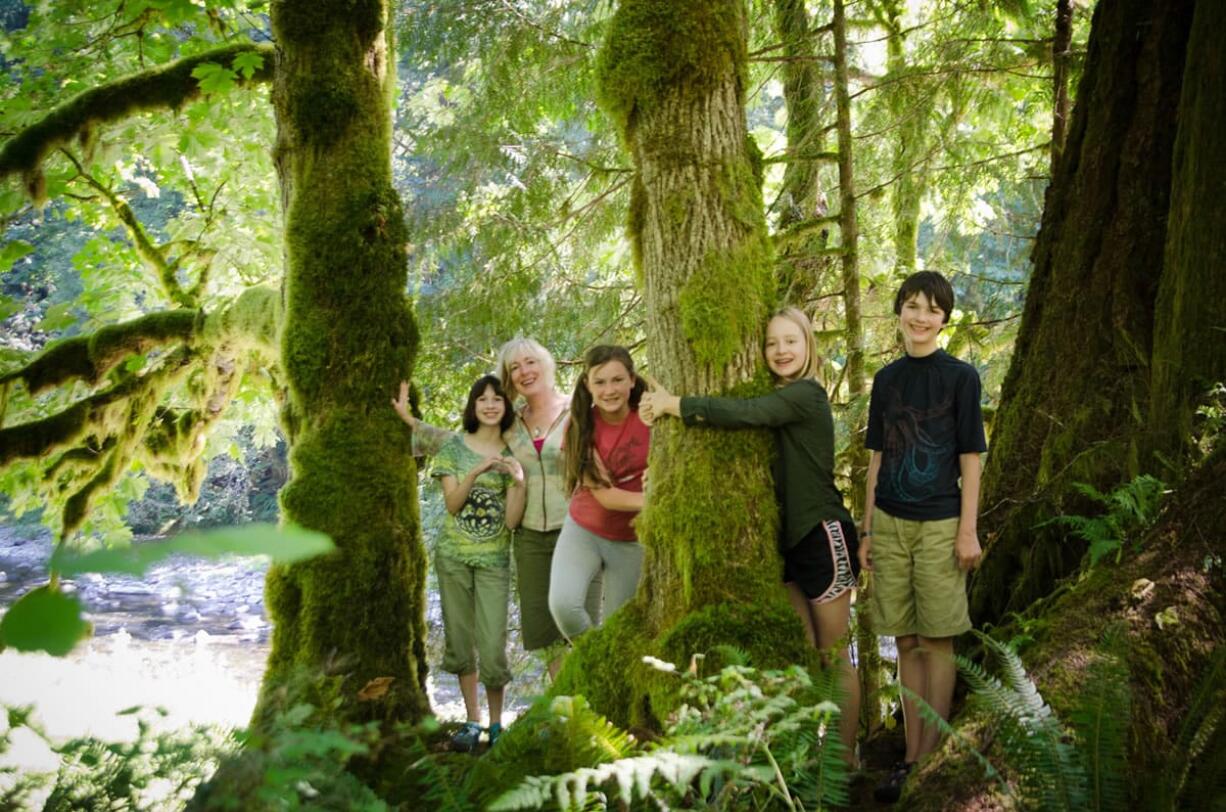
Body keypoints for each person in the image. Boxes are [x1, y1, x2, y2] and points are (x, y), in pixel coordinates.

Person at [639, 307, 861, 766]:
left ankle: (842, 764)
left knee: (833, 655)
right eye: (771, 343)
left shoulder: (807, 395)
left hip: (822, 535)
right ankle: (805, 760)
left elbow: (748, 413)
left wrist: (675, 405)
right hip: (784, 547)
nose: (781, 351)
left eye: (790, 341)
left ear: (808, 345)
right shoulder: (781, 394)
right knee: (800, 655)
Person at [393, 337, 600, 678]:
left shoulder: (578, 410)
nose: (524, 371)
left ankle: (593, 709)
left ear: (546, 364)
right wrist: (412, 422)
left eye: (530, 362)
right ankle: (566, 707)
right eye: (514, 367)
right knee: (544, 631)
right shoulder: (509, 423)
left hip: (577, 532)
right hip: (530, 536)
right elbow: (464, 444)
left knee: (581, 624)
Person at [859, 271, 987, 803]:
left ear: (944, 319)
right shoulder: (887, 381)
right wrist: (865, 529)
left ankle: (935, 756)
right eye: (911, 306)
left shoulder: (961, 377)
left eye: (931, 309)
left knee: (937, 639)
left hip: (940, 522)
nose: (920, 316)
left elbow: (970, 459)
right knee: (906, 641)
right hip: (889, 522)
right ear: (900, 312)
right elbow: (876, 460)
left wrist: (968, 529)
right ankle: (911, 758)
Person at [427, 375, 525, 752]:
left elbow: (513, 522)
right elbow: (453, 505)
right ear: (472, 405)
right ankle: (472, 720)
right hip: (453, 559)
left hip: (494, 562)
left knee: (492, 643)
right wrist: (475, 471)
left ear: (505, 406)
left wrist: (518, 482)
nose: (489, 405)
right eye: (482, 399)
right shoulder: (453, 447)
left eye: (497, 399)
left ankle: (498, 724)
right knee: (461, 639)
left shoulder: (513, 452)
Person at [548, 345, 649, 639]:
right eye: (600, 382)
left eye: (617, 380)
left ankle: (610, 665)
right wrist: (656, 500)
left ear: (632, 379)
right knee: (564, 606)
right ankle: (594, 660)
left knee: (621, 630)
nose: (609, 390)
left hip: (632, 540)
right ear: (587, 385)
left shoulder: (650, 417)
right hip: (585, 531)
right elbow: (607, 496)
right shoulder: (580, 427)